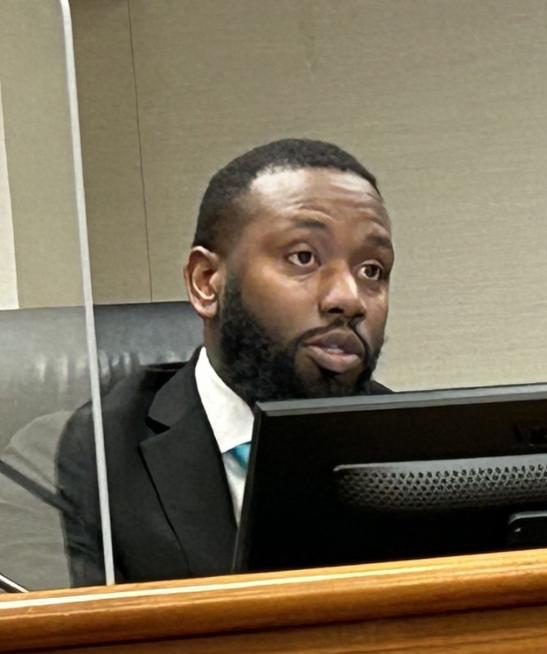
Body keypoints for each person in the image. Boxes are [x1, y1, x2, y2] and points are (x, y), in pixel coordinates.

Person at [56, 139, 394, 585]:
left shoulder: (401, 441)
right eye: (304, 257)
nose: (349, 298)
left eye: (372, 269)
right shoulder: (103, 448)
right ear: (206, 282)